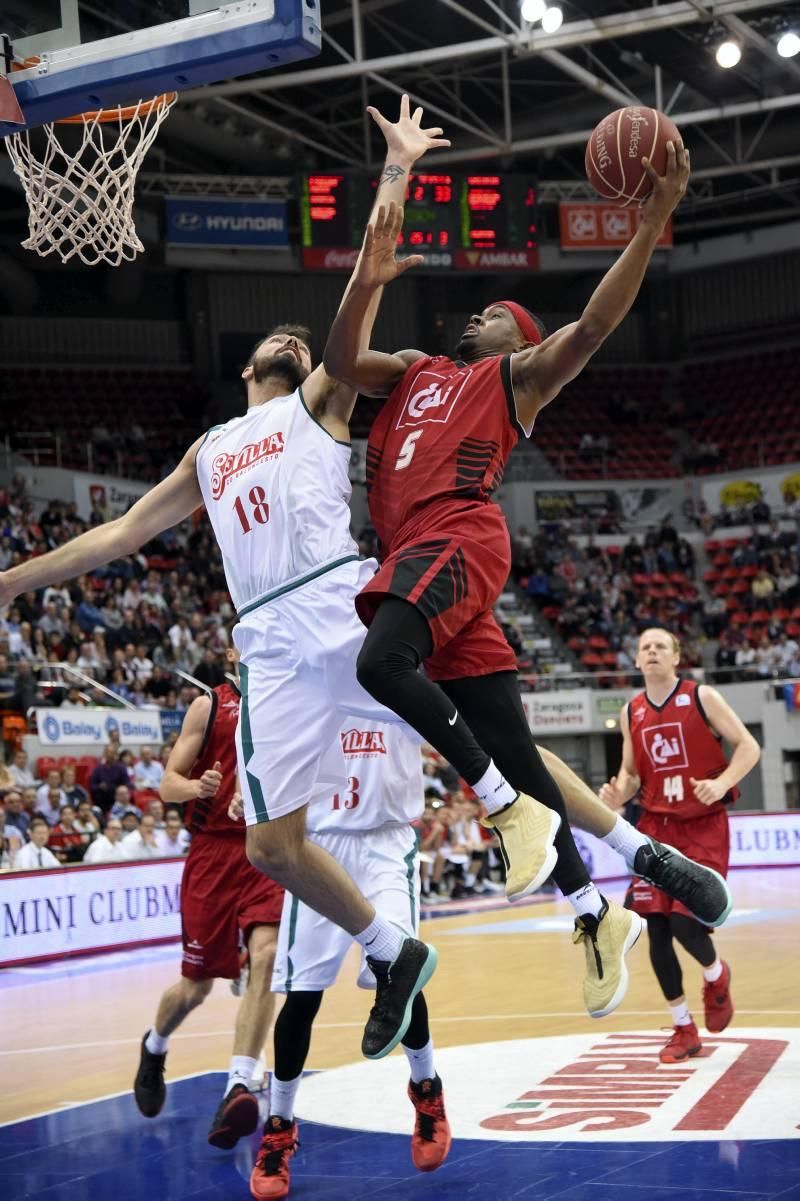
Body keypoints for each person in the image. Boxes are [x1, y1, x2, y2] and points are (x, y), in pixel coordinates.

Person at [0, 101, 453, 1063]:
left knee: (476, 714)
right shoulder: (210, 450)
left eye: (302, 342)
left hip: (339, 603)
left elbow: (363, 285)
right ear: (247, 365)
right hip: (269, 646)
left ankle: (575, 848)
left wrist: (396, 171)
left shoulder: (321, 401)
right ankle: (392, 947)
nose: (293, 342)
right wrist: (13, 581)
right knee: (271, 848)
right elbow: (119, 535)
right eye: (279, 341)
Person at [322, 118, 722, 1016]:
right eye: (480, 310)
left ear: (518, 340)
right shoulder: (418, 370)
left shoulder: (514, 380)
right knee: (514, 745)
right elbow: (343, 358)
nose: (480, 312)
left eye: (498, 312)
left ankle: (505, 810)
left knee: (381, 663)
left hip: (455, 537)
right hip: (419, 552)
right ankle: (597, 904)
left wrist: (653, 217)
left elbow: (598, 320)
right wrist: (369, 278)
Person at [249, 716, 449, 1200]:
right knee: (301, 996)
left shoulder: (397, 665)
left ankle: (427, 1092)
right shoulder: (307, 678)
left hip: (385, 840)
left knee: (401, 973)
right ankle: (279, 1127)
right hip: (316, 843)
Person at [133, 659, 284, 1150]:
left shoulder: (290, 697)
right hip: (214, 855)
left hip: (268, 846)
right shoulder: (210, 704)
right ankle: (154, 1047)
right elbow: (167, 783)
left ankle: (238, 1083)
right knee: (194, 988)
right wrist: (197, 787)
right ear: (233, 649)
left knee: (267, 957)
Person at [599, 628, 760, 1064]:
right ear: (636, 660)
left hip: (703, 825)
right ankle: (683, 1028)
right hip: (654, 827)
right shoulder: (632, 709)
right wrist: (619, 793)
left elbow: (749, 746)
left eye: (660, 646)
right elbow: (631, 773)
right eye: (644, 647)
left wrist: (723, 782)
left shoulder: (702, 697)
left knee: (688, 924)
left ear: (676, 657)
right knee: (656, 927)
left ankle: (715, 973)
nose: (651, 652)